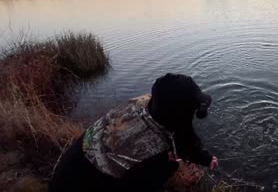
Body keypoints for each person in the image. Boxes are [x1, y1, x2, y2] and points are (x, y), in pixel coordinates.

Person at [49, 73, 219, 192]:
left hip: (65, 174)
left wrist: (204, 157)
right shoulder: (155, 148)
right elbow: (183, 139)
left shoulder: (141, 103)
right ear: (180, 115)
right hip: (80, 186)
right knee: (167, 165)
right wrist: (179, 162)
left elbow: (182, 136)